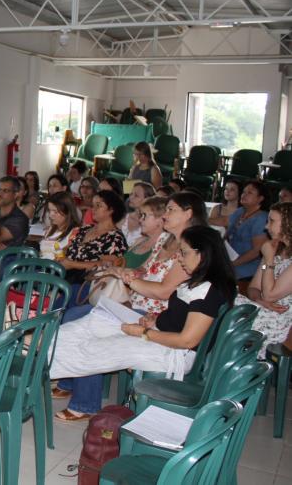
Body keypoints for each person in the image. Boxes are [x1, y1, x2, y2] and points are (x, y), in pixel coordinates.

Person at [51, 225, 235, 422]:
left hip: (170, 352)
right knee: (94, 321)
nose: (179, 258)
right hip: (159, 335)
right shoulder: (198, 282)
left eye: (184, 252)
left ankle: (36, 359)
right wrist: (155, 320)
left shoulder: (208, 290)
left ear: (203, 254)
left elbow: (187, 340)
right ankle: (37, 344)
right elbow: (181, 316)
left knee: (92, 349)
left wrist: (144, 332)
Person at [238, 202, 292, 358]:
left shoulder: (270, 253)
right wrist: (258, 300)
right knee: (225, 303)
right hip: (264, 308)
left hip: (281, 320)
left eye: (272, 221)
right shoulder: (274, 249)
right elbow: (254, 287)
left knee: (233, 315)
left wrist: (269, 260)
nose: (267, 227)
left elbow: (270, 294)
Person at [58, 189, 128, 302]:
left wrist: (72, 264)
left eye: (98, 205)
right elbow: (71, 250)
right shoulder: (85, 229)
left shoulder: (115, 238)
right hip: (66, 274)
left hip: (86, 283)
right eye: (93, 205)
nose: (93, 209)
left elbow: (107, 266)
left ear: (111, 210)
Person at [227, 181, 270, 281]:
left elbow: (256, 252)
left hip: (248, 264)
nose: (244, 195)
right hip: (230, 258)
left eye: (249, 193)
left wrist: (231, 264)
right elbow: (227, 232)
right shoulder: (240, 211)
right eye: (243, 192)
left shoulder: (261, 219)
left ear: (260, 198)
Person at [38, 192, 81, 260]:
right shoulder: (51, 229)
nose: (50, 215)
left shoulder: (75, 233)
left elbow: (67, 258)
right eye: (49, 210)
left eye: (55, 211)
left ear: (67, 212)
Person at [122, 182, 156, 246]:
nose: (131, 197)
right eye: (131, 194)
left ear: (148, 199)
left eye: (136, 195)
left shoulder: (151, 223)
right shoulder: (123, 217)